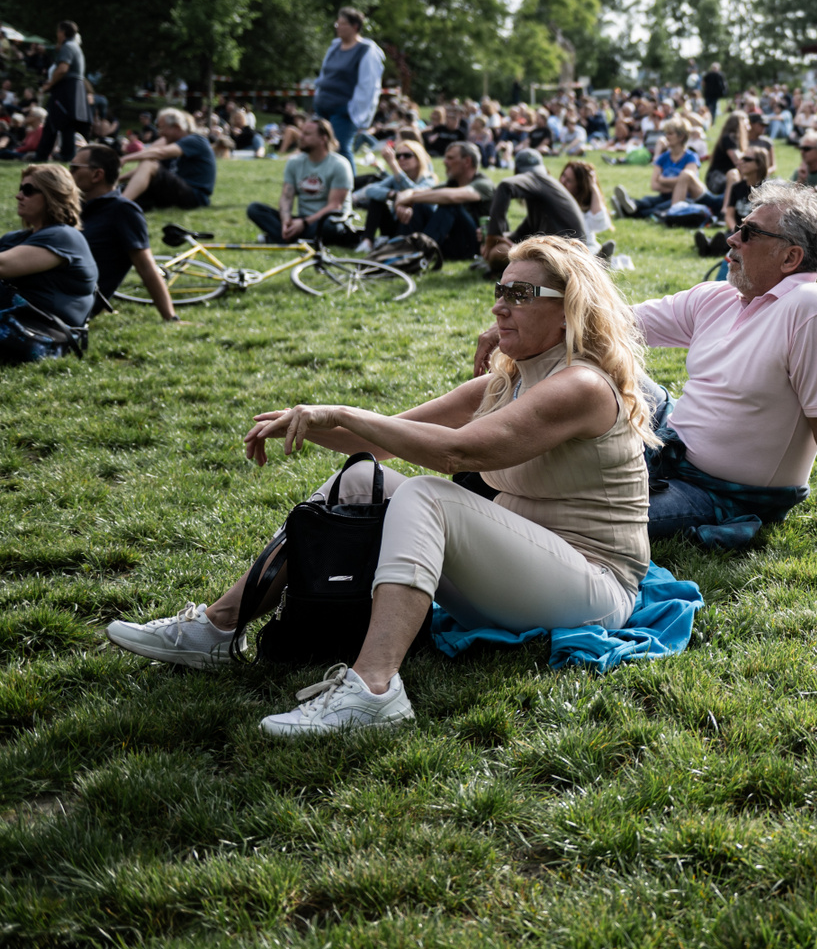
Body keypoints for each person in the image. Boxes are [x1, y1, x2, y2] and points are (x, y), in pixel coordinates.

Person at [105, 236, 658, 733]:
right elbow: (378, 445)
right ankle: (220, 627)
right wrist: (304, 421)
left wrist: (340, 409)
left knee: (425, 495)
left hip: (593, 589)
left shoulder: (581, 385)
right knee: (363, 478)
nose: (498, 305)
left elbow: (456, 453)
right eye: (499, 288)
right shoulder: (506, 380)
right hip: (516, 578)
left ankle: (374, 689)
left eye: (519, 292)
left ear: (566, 309)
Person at [596, 181, 817, 545]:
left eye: (749, 233)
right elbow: (613, 323)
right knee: (592, 362)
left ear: (790, 258)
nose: (732, 239)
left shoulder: (813, 311)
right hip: (672, 439)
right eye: (738, 228)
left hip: (723, 493)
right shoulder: (722, 295)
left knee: (596, 522)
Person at [68, 146, 179, 321]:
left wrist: (170, 317)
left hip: (67, 304)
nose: (68, 174)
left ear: (97, 175)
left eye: (74, 168)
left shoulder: (122, 210)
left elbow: (146, 266)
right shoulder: (77, 208)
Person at [0, 164, 97, 360]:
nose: (19, 196)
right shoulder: (15, 238)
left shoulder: (63, 236)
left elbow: (2, 266)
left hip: (44, 340)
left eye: (28, 190)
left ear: (53, 195)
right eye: (20, 189)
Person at [245, 118, 357, 247]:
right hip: (302, 221)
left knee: (331, 226)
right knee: (255, 209)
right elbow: (286, 197)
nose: (301, 137)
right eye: (301, 133)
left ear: (323, 138)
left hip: (328, 220)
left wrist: (303, 223)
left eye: (307, 134)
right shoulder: (294, 162)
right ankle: (291, 236)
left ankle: (282, 238)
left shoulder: (340, 165)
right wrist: (286, 221)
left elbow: (334, 206)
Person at [483, 149, 588, 276]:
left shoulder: (536, 178)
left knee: (497, 253)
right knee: (494, 247)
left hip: (565, 255)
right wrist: (496, 236)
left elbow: (505, 186)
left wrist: (493, 235)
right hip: (562, 252)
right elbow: (520, 235)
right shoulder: (541, 192)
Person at [392, 141, 494, 261]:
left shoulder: (484, 184)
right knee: (421, 204)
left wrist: (410, 199)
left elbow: (452, 197)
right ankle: (402, 250)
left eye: (450, 158)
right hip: (452, 240)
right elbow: (412, 192)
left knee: (451, 206)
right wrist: (404, 204)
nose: (444, 162)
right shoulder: (452, 184)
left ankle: (421, 254)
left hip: (474, 244)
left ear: (467, 161)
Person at [311, 7, 385, 164]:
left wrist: (357, 113)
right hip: (323, 105)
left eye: (343, 23)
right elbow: (324, 74)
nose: (338, 27)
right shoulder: (335, 47)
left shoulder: (366, 50)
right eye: (337, 23)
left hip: (344, 110)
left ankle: (348, 186)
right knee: (320, 148)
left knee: (341, 148)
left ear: (355, 27)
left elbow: (368, 86)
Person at [118, 109, 217, 210]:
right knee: (121, 190)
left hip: (194, 196)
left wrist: (125, 158)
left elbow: (159, 153)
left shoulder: (196, 140)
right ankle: (118, 201)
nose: (160, 133)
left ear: (176, 127)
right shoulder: (173, 144)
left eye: (162, 128)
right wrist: (118, 179)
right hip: (176, 191)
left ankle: (120, 204)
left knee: (149, 161)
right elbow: (146, 170)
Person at [351, 138, 436, 250]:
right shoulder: (395, 178)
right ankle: (367, 241)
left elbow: (415, 193)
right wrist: (394, 195)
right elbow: (370, 190)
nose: (401, 159)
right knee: (377, 200)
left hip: (415, 226)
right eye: (398, 156)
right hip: (395, 223)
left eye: (407, 155)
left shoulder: (428, 179)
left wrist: (394, 167)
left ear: (418, 158)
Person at [34, 21, 89, 162]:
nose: (57, 34)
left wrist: (50, 84)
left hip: (65, 88)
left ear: (63, 32)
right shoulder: (74, 46)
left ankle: (48, 155)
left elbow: (63, 68)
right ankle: (63, 155)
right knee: (63, 123)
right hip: (73, 87)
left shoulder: (67, 47)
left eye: (58, 32)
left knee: (57, 122)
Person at [559, 159, 612, 253]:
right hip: (560, 246)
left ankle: (600, 258)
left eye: (569, 181)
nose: (563, 181)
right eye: (563, 175)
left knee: (590, 251)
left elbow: (600, 224)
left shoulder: (584, 208)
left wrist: (593, 186)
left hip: (585, 246)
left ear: (579, 187)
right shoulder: (554, 196)